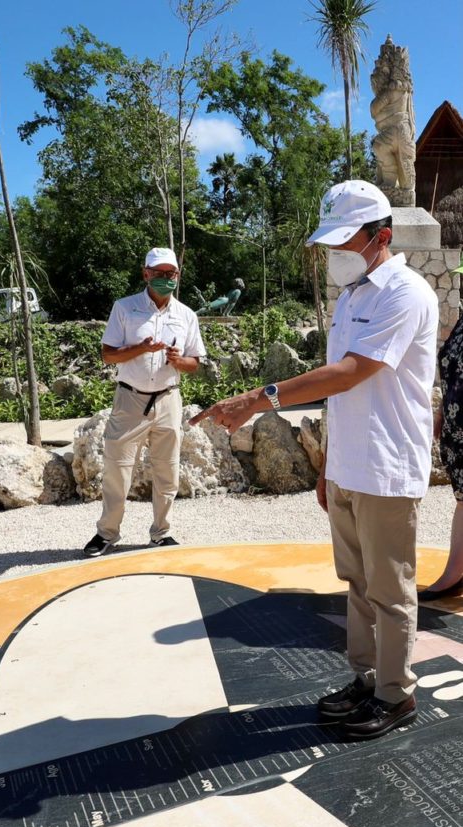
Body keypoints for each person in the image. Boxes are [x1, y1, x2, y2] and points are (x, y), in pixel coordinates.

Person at [190, 180, 438, 740]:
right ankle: (368, 679)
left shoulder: (406, 292)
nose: (335, 254)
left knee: (391, 590)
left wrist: (260, 398)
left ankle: (396, 695)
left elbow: (353, 372)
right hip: (350, 465)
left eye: (344, 242)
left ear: (382, 236)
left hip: (387, 468)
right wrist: (327, 466)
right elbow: (339, 397)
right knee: (355, 582)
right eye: (330, 244)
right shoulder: (351, 298)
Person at [82, 247, 205, 558]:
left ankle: (162, 533)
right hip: (129, 399)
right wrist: (138, 349)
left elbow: (196, 362)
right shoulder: (124, 308)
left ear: (178, 275)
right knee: (116, 470)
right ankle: (107, 533)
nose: (166, 278)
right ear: (145, 273)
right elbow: (108, 354)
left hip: (167, 399)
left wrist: (180, 361)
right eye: (159, 273)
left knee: (168, 470)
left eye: (171, 273)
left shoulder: (186, 315)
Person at [422, 274, 463, 598]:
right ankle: (455, 574)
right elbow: (451, 373)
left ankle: (454, 574)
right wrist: (440, 413)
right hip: (457, 430)